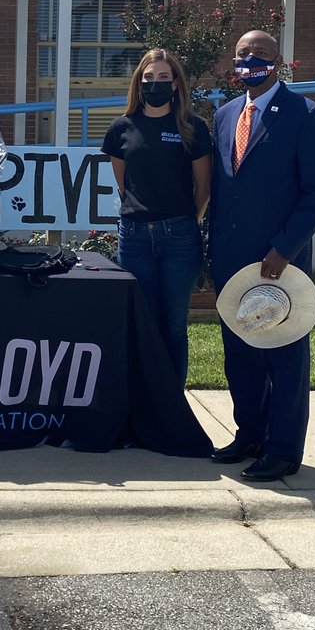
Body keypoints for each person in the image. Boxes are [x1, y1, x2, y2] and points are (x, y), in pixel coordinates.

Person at [209, 30, 315, 481]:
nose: (250, 61)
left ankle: (283, 449)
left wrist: (285, 248)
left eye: (259, 54)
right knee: (240, 353)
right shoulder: (224, 115)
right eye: (243, 54)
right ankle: (251, 435)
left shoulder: (306, 114)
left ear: (278, 61)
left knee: (283, 357)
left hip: (279, 261)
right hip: (231, 262)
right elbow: (225, 191)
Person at [102, 48, 212, 385]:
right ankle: (144, 406)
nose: (155, 84)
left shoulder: (192, 127)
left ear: (176, 83)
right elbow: (124, 185)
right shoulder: (121, 127)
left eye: (163, 77)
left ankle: (172, 408)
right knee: (142, 325)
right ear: (139, 82)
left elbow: (204, 188)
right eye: (149, 78)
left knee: (174, 327)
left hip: (179, 237)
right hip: (134, 238)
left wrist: (184, 223)